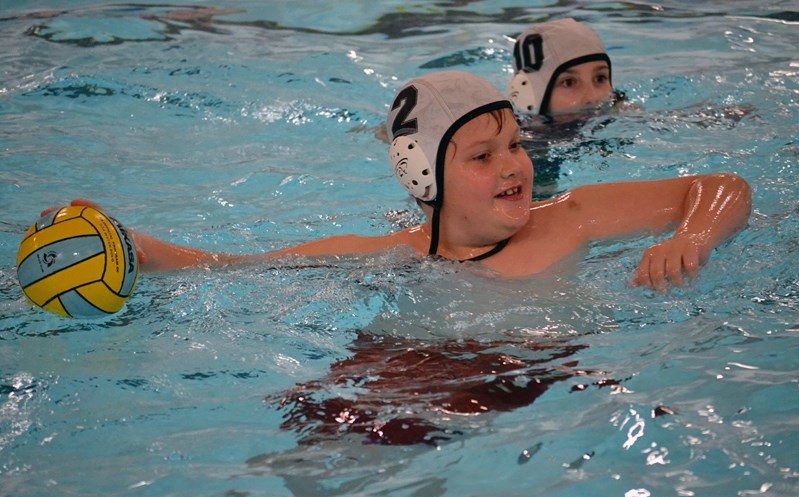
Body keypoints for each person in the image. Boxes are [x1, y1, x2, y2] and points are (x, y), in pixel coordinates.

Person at [51, 70, 751, 293]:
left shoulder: (569, 216)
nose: (512, 165)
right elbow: (232, 268)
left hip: (549, 375)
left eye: (512, 144)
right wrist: (131, 245)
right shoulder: (394, 255)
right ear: (425, 180)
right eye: (481, 156)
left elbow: (721, 184)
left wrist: (691, 235)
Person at [507, 17, 621, 118]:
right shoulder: (511, 139)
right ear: (530, 93)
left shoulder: (622, 114)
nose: (593, 98)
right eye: (569, 82)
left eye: (600, 78)